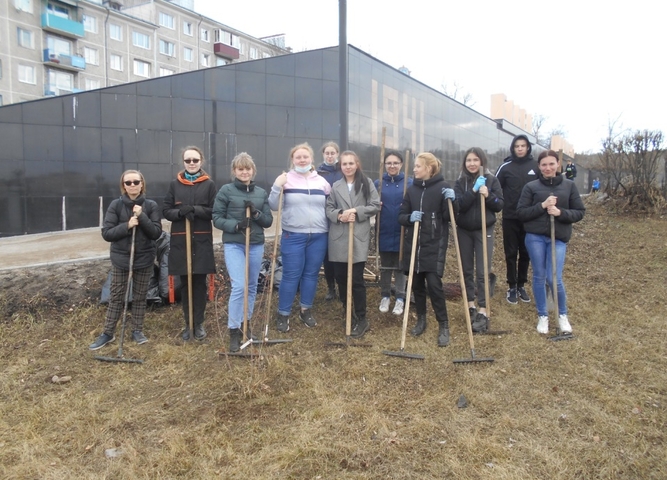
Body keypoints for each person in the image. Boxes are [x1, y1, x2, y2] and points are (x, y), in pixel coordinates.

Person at [90, 170, 162, 350]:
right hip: (121, 259)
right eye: (128, 183)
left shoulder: (151, 205)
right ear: (123, 186)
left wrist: (142, 216)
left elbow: (156, 232)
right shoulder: (116, 205)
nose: (132, 185)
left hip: (144, 258)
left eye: (135, 182)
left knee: (139, 297)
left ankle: (137, 330)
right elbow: (107, 233)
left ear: (142, 184)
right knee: (116, 297)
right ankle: (108, 333)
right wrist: (127, 225)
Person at [517, 150, 585, 335]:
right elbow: (521, 212)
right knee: (539, 276)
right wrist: (542, 206)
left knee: (554, 277)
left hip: (559, 238)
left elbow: (579, 212)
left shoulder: (569, 186)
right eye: (544, 164)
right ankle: (543, 316)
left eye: (551, 164)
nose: (548, 168)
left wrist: (561, 213)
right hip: (535, 237)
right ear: (539, 166)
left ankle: (562, 315)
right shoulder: (531, 187)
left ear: (558, 165)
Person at [213, 153, 273, 352]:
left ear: (253, 170)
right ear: (235, 171)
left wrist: (256, 214)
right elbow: (217, 218)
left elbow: (268, 221)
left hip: (255, 244)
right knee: (239, 285)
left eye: (248, 168)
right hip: (235, 244)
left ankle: (246, 325)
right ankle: (234, 330)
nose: (244, 172)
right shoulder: (226, 191)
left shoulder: (261, 193)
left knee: (252, 286)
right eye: (240, 169)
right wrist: (237, 225)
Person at [268, 143, 331, 333]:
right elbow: (273, 205)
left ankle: (305, 310)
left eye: (305, 157)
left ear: (311, 159)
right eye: (298, 157)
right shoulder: (285, 179)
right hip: (293, 235)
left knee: (311, 274)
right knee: (291, 275)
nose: (302, 160)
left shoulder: (322, 182)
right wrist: (277, 185)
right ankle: (283, 313)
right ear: (293, 160)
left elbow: (330, 206)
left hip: (319, 236)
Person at [398, 152, 457, 347]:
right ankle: (421, 319)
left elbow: (449, 217)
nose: (414, 169)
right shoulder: (412, 190)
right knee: (416, 285)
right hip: (414, 244)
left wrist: (452, 202)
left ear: (429, 169)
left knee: (434, 285)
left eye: (417, 166)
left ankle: (443, 324)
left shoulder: (442, 188)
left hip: (434, 244)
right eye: (414, 166)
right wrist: (409, 218)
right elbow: (401, 216)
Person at [162, 146, 217, 341]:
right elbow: (166, 211)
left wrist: (194, 209)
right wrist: (179, 213)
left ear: (201, 161)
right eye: (188, 161)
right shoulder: (174, 185)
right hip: (181, 240)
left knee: (199, 284)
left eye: (195, 160)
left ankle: (199, 323)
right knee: (185, 284)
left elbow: (213, 210)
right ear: (183, 162)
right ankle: (188, 324)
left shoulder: (209, 185)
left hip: (201, 241)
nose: (191, 163)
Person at [326, 151, 380, 337]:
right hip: (339, 237)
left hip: (357, 236)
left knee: (356, 279)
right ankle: (347, 309)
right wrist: (340, 215)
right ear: (340, 166)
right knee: (341, 277)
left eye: (351, 163)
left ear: (357, 164)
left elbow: (375, 205)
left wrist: (356, 211)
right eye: (344, 164)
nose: (347, 167)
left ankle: (361, 317)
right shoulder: (336, 186)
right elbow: (329, 208)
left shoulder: (366, 183)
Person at [454, 147, 504, 333]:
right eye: (469, 160)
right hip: (464, 230)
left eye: (475, 160)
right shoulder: (460, 182)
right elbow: (458, 206)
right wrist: (473, 191)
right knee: (466, 268)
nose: (472, 163)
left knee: (482, 270)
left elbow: (500, 205)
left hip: (484, 229)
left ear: (482, 161)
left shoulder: (492, 180)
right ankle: (470, 305)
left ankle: (484, 309)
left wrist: (488, 195)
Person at [495, 134, 538, 305]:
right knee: (511, 252)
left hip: (530, 218)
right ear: (513, 148)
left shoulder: (535, 166)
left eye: (523, 146)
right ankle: (511, 285)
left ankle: (521, 285)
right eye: (517, 146)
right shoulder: (506, 167)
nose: (520, 148)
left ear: (528, 147)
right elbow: (495, 188)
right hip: (510, 217)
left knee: (526, 252)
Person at [374, 150, 412, 316]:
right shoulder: (378, 183)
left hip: (402, 229)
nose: (392, 166)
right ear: (384, 165)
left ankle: (400, 297)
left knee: (400, 265)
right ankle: (385, 295)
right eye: (389, 163)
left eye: (395, 163)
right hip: (384, 229)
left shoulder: (408, 183)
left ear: (401, 164)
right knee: (385, 266)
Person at [316, 141, 344, 301]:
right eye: (327, 153)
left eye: (333, 153)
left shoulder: (343, 171)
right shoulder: (318, 173)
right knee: (327, 256)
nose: (330, 155)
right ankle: (331, 288)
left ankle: (342, 287)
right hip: (323, 217)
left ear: (337, 154)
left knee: (339, 254)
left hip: (341, 217)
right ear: (323, 155)